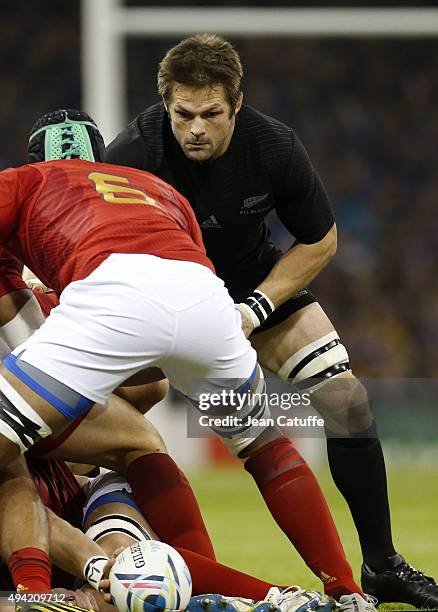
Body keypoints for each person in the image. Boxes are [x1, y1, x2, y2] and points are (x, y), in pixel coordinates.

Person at [104, 33, 438, 608]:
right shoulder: (132, 153)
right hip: (160, 291)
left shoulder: (274, 146)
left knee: (348, 400)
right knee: (107, 417)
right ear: (166, 104)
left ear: (237, 104)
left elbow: (320, 238)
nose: (196, 130)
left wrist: (254, 307)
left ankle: (381, 565)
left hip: (250, 286)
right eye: (183, 114)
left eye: (211, 114)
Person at [0, 110, 369, 609]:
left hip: (108, 301)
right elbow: (161, 354)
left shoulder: (26, 183)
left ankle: (38, 589)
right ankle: (346, 590)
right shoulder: (157, 189)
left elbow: (38, 336)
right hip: (201, 298)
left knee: (34, 459)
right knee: (263, 446)